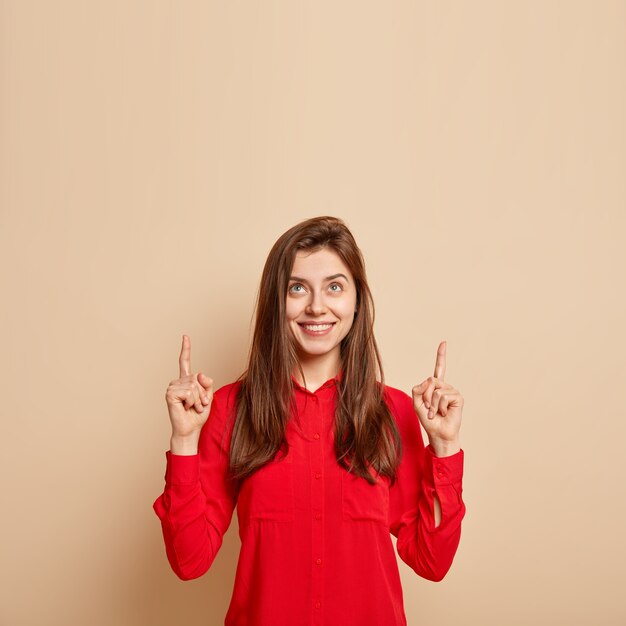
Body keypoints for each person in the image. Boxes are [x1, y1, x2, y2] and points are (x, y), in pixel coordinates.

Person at [152, 215, 466, 626]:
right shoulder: (228, 409)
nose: (317, 306)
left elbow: (431, 559)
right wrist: (184, 441)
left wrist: (443, 448)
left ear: (356, 300)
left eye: (334, 286)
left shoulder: (393, 413)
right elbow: (189, 561)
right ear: (274, 301)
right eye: (297, 288)